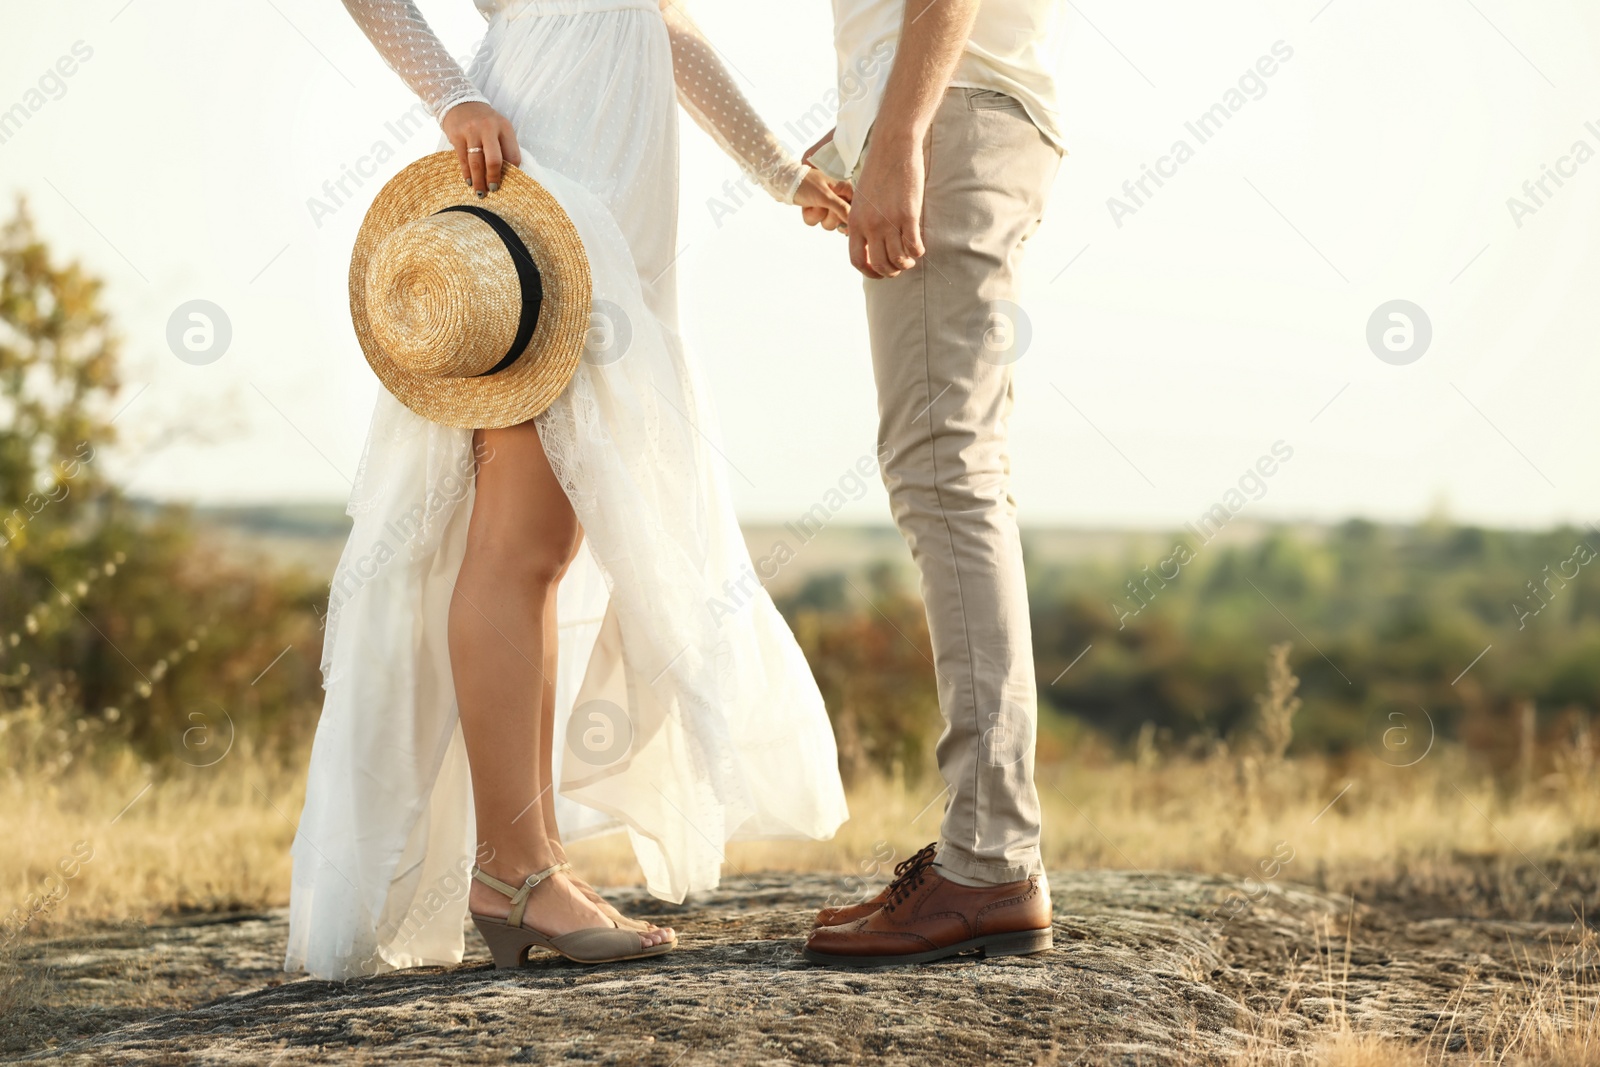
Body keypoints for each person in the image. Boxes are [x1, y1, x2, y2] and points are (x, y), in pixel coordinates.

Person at [285, 0, 852, 978]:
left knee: (546, 539)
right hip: (540, 144)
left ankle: (525, 857)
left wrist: (773, 167)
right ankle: (513, 866)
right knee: (519, 539)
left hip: (626, 177)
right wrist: (452, 95)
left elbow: (658, 18)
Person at [800, 0, 1066, 966]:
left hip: (952, 115)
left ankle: (990, 858)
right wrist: (866, 128)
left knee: (946, 472)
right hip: (960, 110)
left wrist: (901, 133)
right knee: (951, 467)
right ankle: (987, 847)